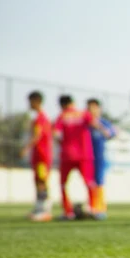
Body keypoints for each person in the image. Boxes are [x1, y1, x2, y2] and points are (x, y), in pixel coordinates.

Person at [54, 95, 106, 220]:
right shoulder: (83, 114)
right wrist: (105, 132)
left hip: (67, 155)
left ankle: (68, 212)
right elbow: (95, 124)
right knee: (89, 183)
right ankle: (93, 209)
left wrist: (63, 144)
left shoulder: (62, 116)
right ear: (73, 102)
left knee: (63, 184)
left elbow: (56, 134)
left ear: (62, 105)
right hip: (85, 154)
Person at [21, 91, 53, 222]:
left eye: (30, 101)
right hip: (39, 156)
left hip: (42, 156)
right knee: (38, 181)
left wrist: (26, 148)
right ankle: (39, 208)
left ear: (36, 101)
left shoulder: (40, 118)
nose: (29, 104)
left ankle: (45, 210)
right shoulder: (41, 117)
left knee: (41, 181)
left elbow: (37, 135)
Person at [87, 98, 117, 219]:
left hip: (99, 157)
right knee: (90, 182)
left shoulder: (103, 122)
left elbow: (112, 133)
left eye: (93, 107)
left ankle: (100, 208)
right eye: (89, 108)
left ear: (99, 108)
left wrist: (100, 127)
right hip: (86, 157)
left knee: (99, 182)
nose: (90, 110)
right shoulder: (85, 123)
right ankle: (91, 206)